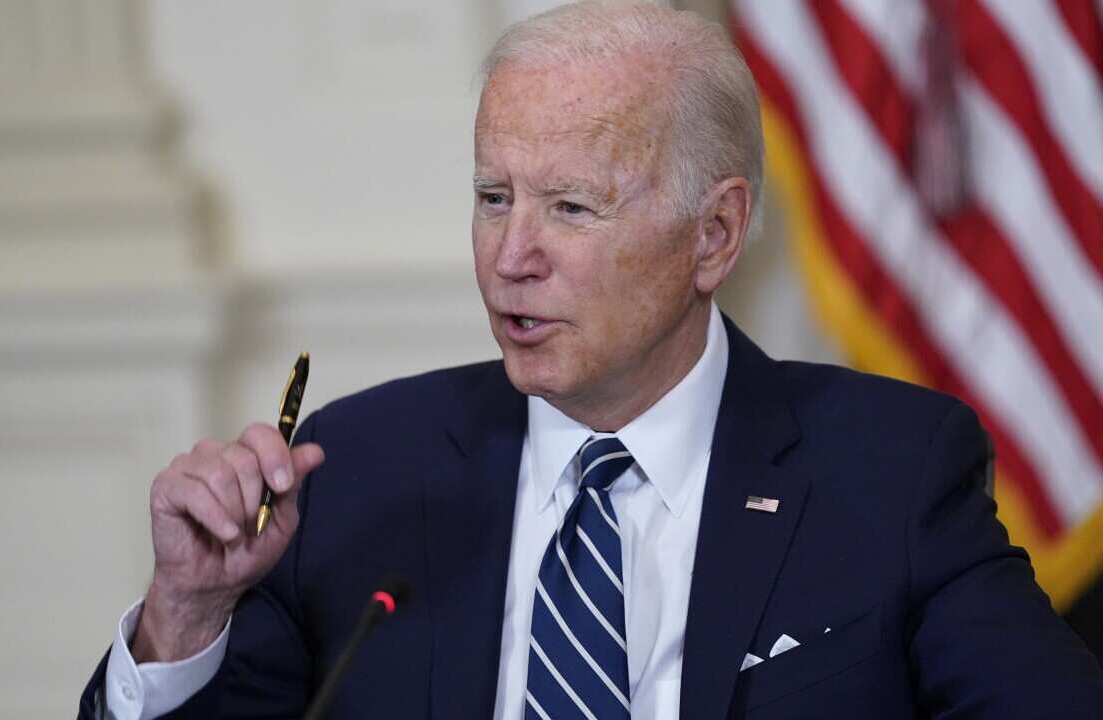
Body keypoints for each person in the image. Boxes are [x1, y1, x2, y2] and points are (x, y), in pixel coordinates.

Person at [79, 2, 1103, 718]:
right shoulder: (357, 472)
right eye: (492, 200)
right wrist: (184, 615)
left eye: (569, 207)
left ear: (713, 235)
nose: (509, 257)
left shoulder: (886, 471)